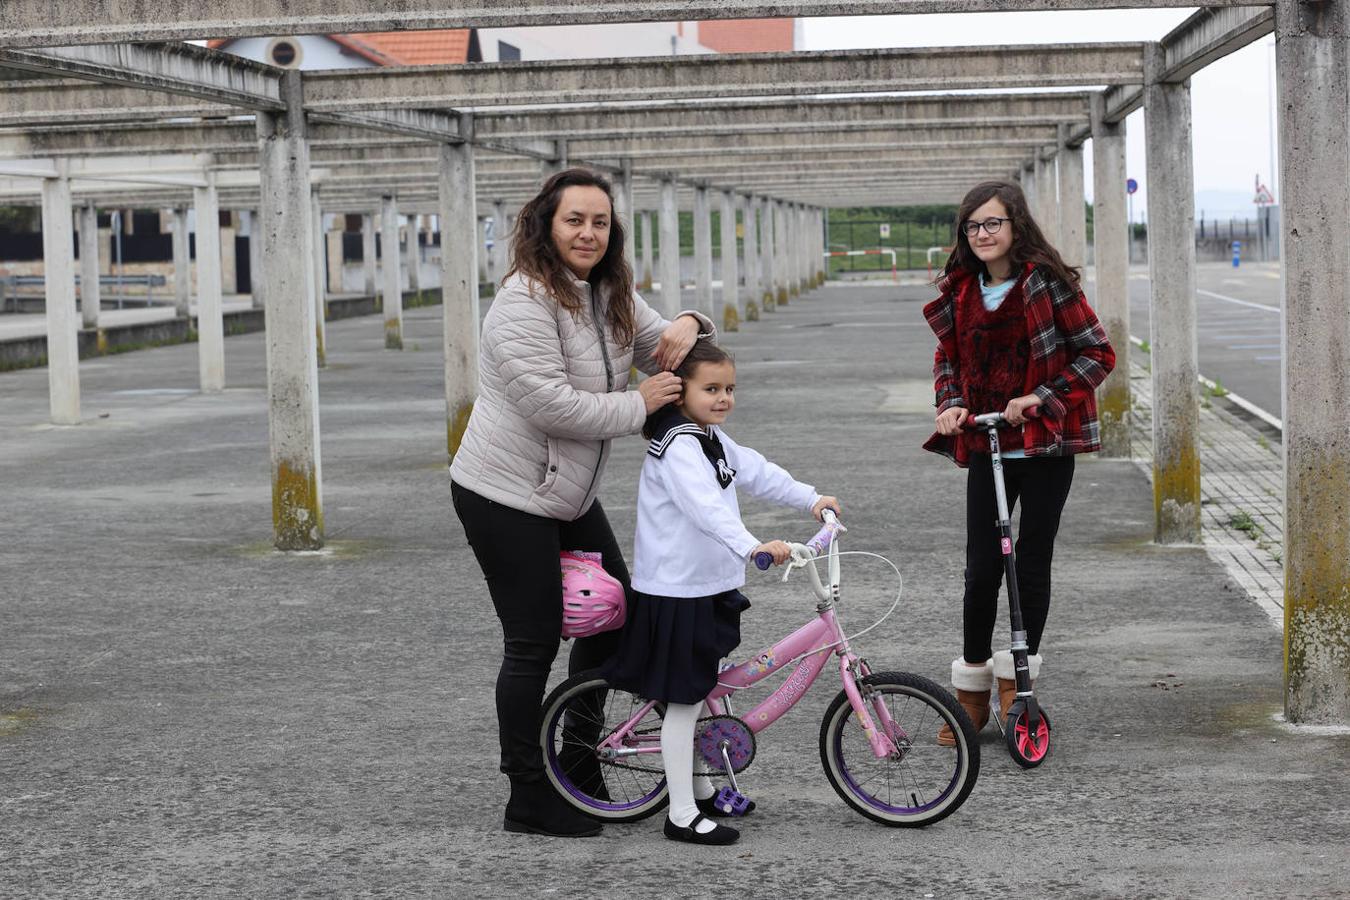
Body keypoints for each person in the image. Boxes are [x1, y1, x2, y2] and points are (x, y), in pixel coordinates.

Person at [450, 168, 716, 838]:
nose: (588, 233)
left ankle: (579, 761)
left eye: (600, 222)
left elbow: (675, 348)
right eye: (575, 220)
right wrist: (641, 403)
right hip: (504, 492)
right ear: (546, 224)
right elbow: (551, 405)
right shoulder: (523, 302)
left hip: (565, 490)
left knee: (613, 616)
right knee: (533, 640)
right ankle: (529, 795)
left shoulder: (610, 293)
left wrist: (690, 320)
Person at [603, 341, 841, 845]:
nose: (723, 398)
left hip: (707, 587)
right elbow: (705, 509)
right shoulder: (677, 446)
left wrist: (810, 498)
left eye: (729, 389)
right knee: (686, 701)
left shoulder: (709, 437)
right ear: (679, 391)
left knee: (704, 688)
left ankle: (704, 786)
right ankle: (681, 813)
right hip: (677, 592)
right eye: (711, 389)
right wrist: (754, 545)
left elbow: (755, 470)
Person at [921, 180, 1115, 745]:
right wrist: (951, 404)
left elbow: (1097, 353)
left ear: (1015, 227)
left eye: (993, 223)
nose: (982, 234)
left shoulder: (1046, 285)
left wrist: (1041, 399)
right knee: (982, 569)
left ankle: (1017, 689)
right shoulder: (961, 290)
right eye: (973, 226)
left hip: (1046, 445)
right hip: (989, 445)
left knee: (1029, 563)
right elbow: (947, 359)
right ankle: (972, 698)